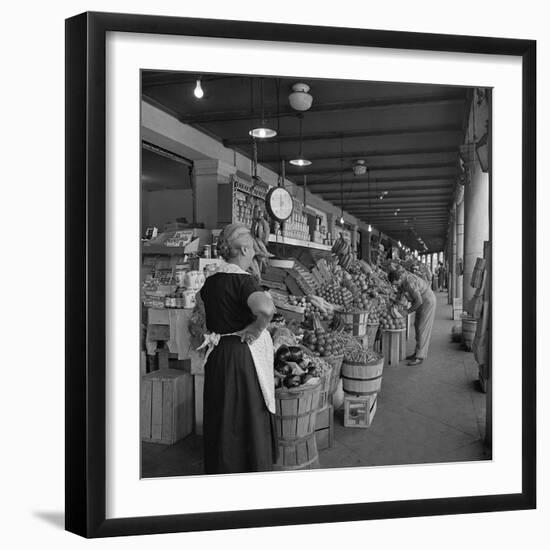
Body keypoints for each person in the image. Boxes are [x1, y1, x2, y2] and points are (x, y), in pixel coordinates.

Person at [198, 223, 278, 474]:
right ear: (243, 248)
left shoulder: (211, 280)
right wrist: (255, 329)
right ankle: (248, 471)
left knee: (221, 415)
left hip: (218, 353)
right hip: (242, 357)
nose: (255, 249)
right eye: (252, 245)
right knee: (245, 415)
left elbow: (200, 310)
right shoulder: (243, 281)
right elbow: (266, 309)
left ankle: (221, 469)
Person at [388, 268, 436, 366]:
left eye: (396, 284)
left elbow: (419, 301)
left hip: (427, 300)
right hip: (421, 301)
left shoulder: (409, 282)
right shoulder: (402, 281)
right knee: (417, 325)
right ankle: (417, 352)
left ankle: (420, 356)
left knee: (422, 327)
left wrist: (407, 312)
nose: (395, 286)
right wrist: (394, 304)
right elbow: (400, 294)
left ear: (399, 278)